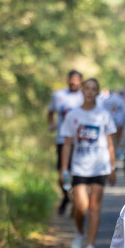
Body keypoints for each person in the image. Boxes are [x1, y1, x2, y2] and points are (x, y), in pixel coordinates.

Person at [60, 77, 119, 248]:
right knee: (80, 207)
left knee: (94, 207)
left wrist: (112, 166)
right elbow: (67, 144)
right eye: (87, 88)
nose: (90, 92)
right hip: (79, 167)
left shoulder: (104, 115)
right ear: (82, 91)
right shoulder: (73, 115)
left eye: (94, 89)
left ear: (97, 91)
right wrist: (64, 169)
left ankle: (90, 246)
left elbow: (110, 143)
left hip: (99, 166)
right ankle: (79, 232)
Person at [47, 70, 84, 215]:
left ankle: (76, 202)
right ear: (67, 80)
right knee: (62, 175)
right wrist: (51, 124)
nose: (73, 82)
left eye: (76, 79)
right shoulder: (59, 95)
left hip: (80, 142)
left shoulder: (84, 97)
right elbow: (50, 112)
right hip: (62, 140)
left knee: (78, 174)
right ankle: (66, 197)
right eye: (71, 79)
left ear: (80, 82)